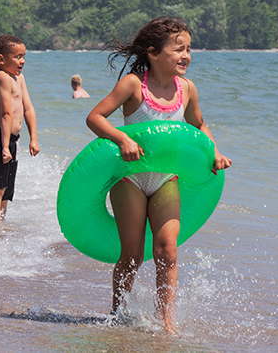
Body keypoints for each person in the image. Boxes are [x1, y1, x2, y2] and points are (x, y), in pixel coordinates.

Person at [86, 16, 232, 332]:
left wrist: (214, 151)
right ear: (153, 53)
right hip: (130, 179)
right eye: (178, 49)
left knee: (167, 249)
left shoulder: (187, 89)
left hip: (167, 178)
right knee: (133, 255)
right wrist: (122, 138)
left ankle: (166, 322)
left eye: (189, 50)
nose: (186, 56)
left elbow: (198, 124)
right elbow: (95, 117)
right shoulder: (133, 85)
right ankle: (118, 313)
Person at [0, 35, 40, 223]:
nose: (22, 61)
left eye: (23, 56)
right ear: (1, 59)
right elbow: (6, 114)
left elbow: (28, 108)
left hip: (12, 139)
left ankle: (0, 227)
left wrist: (33, 138)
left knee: (6, 190)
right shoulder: (2, 78)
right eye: (17, 57)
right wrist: (5, 147)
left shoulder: (19, 77)